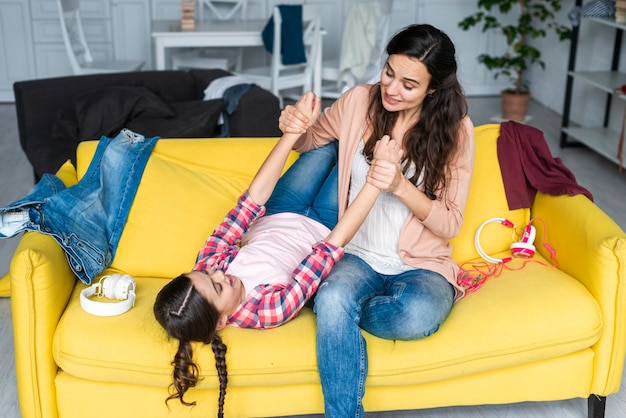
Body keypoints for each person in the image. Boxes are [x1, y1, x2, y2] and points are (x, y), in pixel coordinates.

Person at [153, 92, 402, 416]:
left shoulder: (208, 267)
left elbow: (250, 203)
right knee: (355, 148)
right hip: (325, 224)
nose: (216, 272)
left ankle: (354, 103)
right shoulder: (267, 309)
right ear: (223, 321)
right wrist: (375, 181)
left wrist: (292, 133)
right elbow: (327, 252)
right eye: (217, 286)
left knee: (322, 143)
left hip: (282, 208)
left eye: (206, 273)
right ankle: (392, 111)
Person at [279, 24, 475, 417]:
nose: (391, 88)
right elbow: (309, 141)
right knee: (335, 294)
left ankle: (330, 310)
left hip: (421, 265)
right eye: (389, 72)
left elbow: (451, 223)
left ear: (432, 89)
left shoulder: (456, 132)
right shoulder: (357, 102)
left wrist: (401, 185)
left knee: (415, 315)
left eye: (408, 84)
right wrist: (292, 127)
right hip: (355, 255)